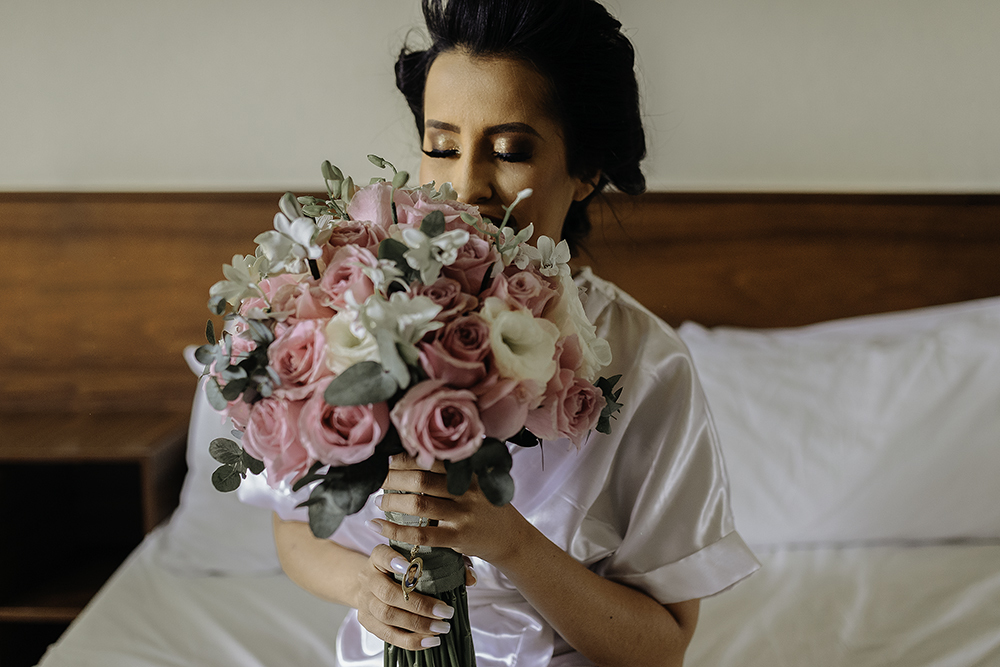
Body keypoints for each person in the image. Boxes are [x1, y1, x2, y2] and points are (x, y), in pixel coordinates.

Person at [250, 1, 761, 665]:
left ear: (586, 170)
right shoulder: (360, 309)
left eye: (511, 150)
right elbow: (294, 527)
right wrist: (367, 586)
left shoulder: (647, 364)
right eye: (442, 146)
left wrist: (511, 543)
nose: (465, 185)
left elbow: (662, 646)